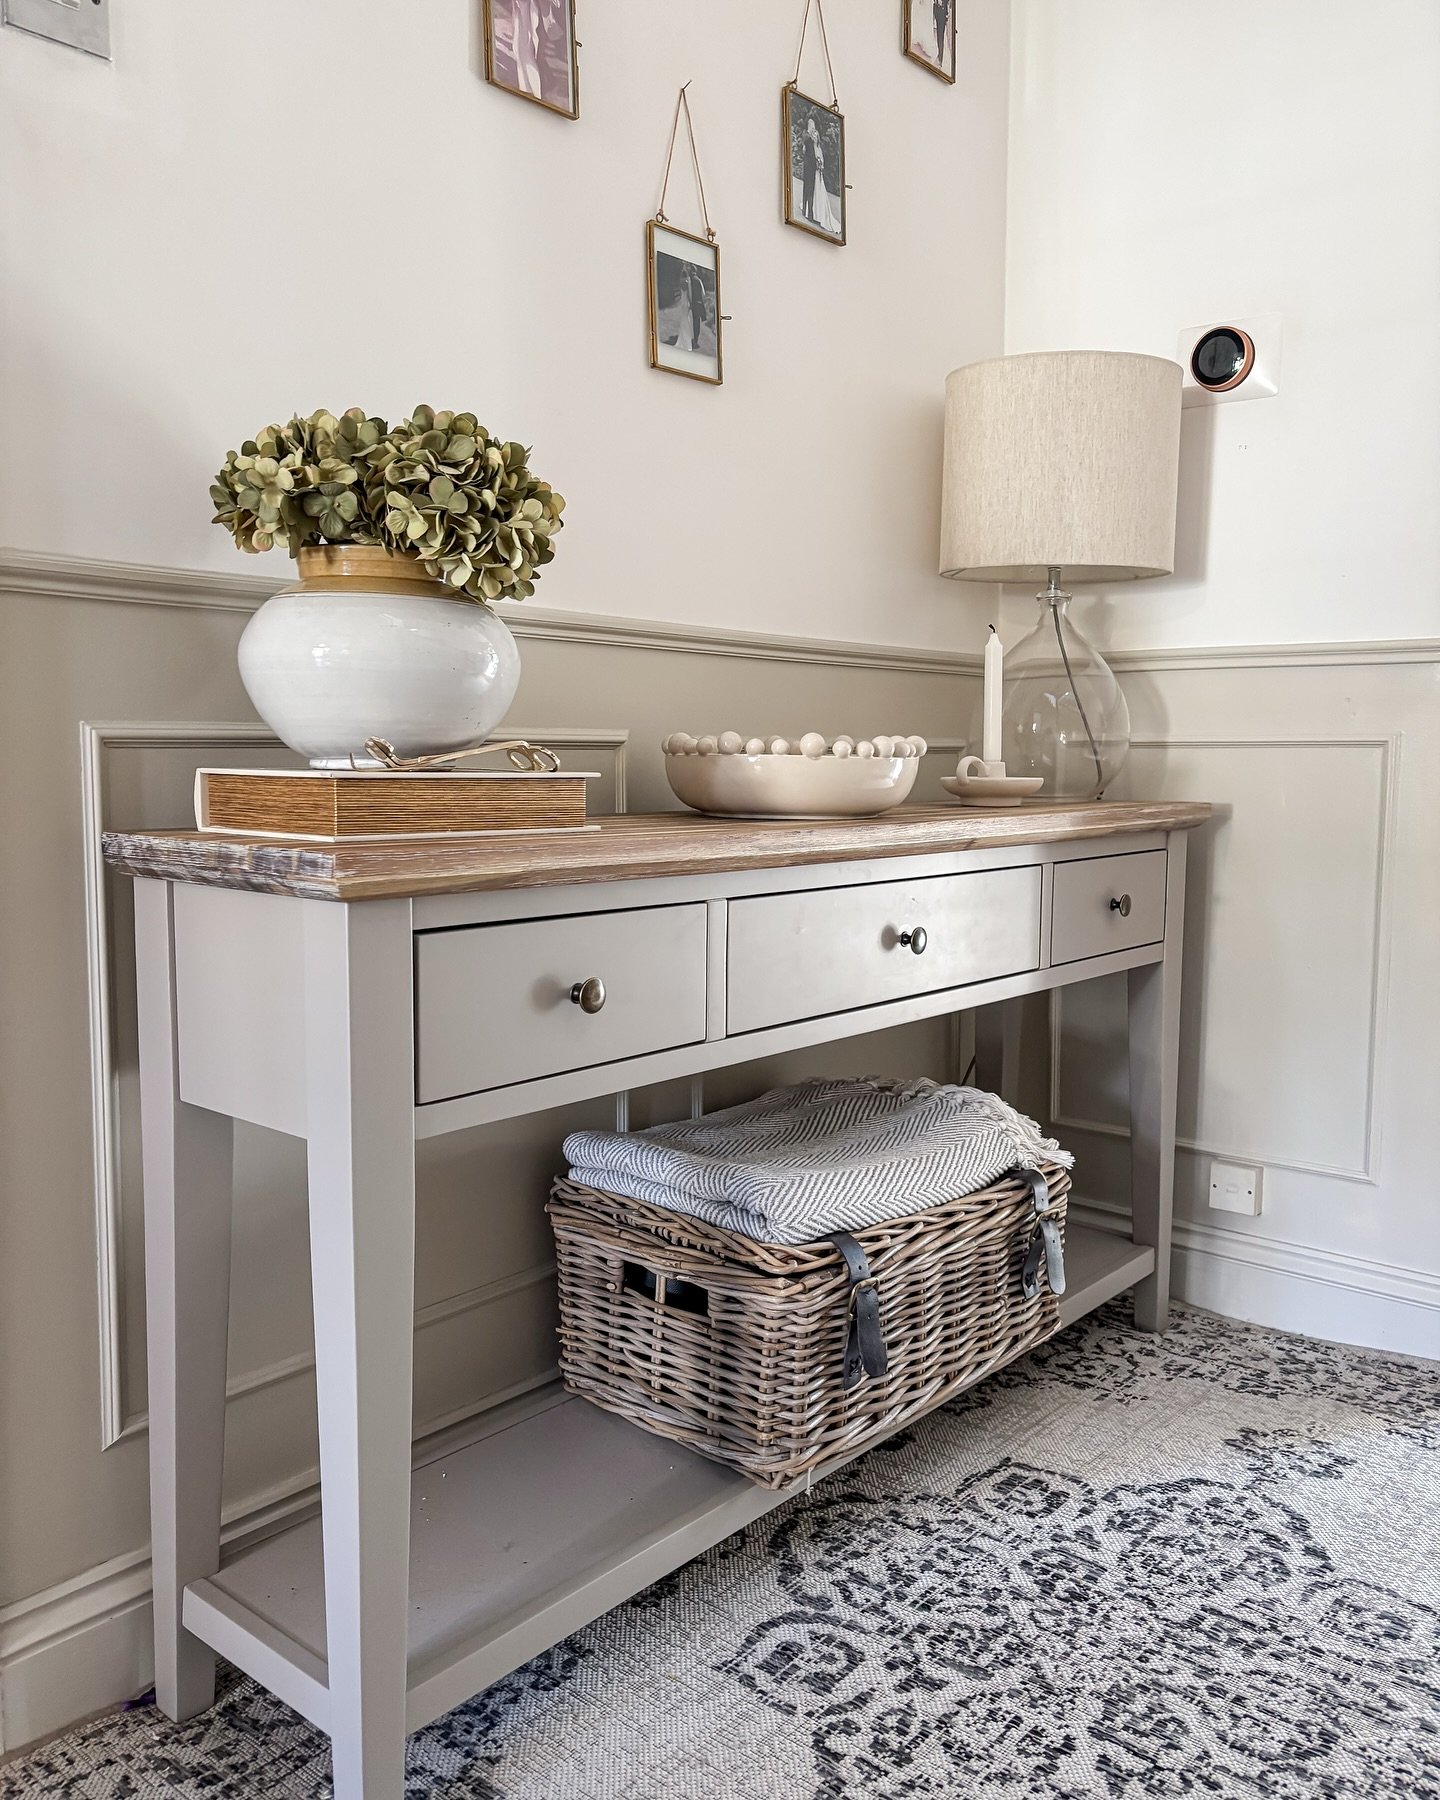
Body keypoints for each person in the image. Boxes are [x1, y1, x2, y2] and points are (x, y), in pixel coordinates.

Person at [800, 117, 818, 223]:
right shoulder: (807, 136)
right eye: (812, 126)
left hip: (811, 166)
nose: (813, 129)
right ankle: (808, 212)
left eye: (814, 127)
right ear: (809, 126)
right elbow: (806, 148)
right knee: (808, 188)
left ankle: (808, 211)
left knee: (809, 189)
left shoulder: (812, 137)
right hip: (808, 166)